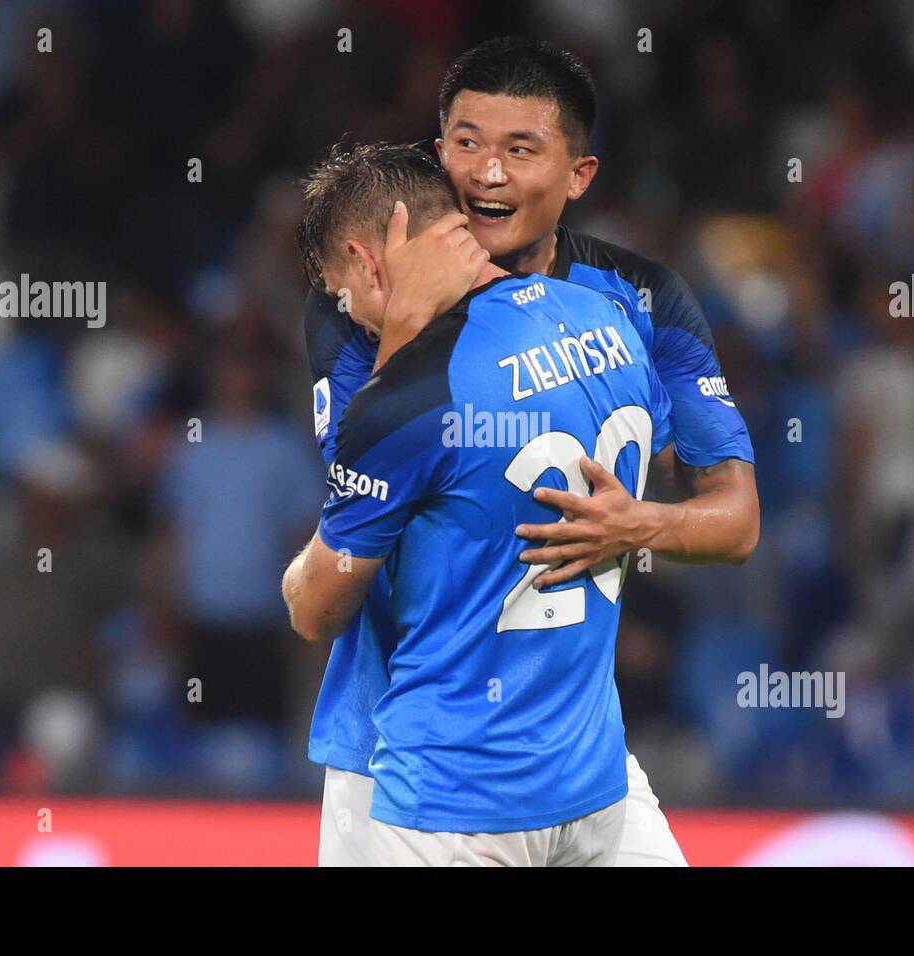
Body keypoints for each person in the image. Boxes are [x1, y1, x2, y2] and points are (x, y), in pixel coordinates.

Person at [302, 38, 759, 866]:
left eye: (521, 149)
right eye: (468, 144)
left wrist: (638, 525)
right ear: (438, 152)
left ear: (579, 173)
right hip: (404, 753)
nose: (488, 174)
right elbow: (364, 498)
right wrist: (405, 330)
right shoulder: (353, 306)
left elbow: (736, 520)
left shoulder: (639, 300)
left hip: (577, 755)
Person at [284, 142, 671, 865]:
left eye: (345, 292)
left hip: (429, 766)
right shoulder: (611, 315)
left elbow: (317, 605)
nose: (350, 318)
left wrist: (398, 343)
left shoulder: (402, 393)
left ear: (368, 262)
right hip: (586, 753)